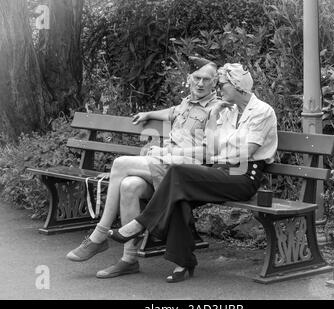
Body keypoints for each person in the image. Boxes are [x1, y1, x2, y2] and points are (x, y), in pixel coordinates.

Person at [108, 63, 278, 283]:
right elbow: (213, 147)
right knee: (179, 194)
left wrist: (216, 157)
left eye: (223, 83)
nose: (219, 87)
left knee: (177, 173)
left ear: (237, 85)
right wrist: (214, 115)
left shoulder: (262, 111)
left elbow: (247, 152)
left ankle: (140, 223)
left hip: (243, 177)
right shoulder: (227, 111)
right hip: (220, 171)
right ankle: (184, 262)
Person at [66, 57, 220, 278]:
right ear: (189, 78)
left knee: (120, 164)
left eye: (207, 79)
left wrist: (166, 153)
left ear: (215, 83)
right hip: (165, 167)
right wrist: (149, 114)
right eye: (197, 78)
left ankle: (99, 235)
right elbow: (171, 112)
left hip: (186, 173)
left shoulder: (217, 110)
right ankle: (129, 260)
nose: (201, 83)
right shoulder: (187, 103)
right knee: (129, 186)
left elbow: (209, 152)